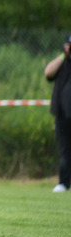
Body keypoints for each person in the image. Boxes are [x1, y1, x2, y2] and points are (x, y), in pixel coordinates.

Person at [44, 33, 71, 193]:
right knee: (65, 150)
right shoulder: (62, 62)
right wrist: (63, 55)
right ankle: (64, 183)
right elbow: (48, 72)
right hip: (62, 115)